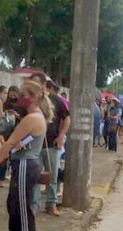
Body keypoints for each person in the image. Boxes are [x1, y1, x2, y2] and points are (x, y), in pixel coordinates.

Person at [0, 80, 49, 231]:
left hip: (25, 164)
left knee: (22, 207)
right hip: (24, 163)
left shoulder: (32, 118)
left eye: (23, 95)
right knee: (14, 203)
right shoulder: (32, 117)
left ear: (34, 97)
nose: (18, 98)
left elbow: (10, 143)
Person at [30, 76, 69, 216]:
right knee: (35, 176)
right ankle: (34, 204)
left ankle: (51, 203)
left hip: (52, 143)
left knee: (52, 175)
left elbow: (67, 119)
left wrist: (61, 136)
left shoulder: (56, 100)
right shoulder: (30, 100)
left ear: (43, 84)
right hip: (34, 144)